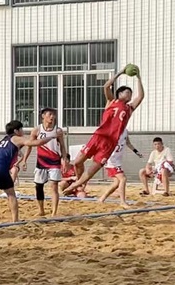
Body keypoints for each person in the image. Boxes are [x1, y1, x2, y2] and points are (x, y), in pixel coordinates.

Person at [62, 67, 144, 197]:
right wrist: (120, 72)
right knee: (77, 162)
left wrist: (138, 77)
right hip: (99, 137)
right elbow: (106, 86)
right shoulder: (112, 101)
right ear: (119, 94)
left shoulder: (129, 108)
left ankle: (76, 186)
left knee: (92, 170)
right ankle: (77, 181)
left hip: (110, 143)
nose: (129, 94)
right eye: (127, 92)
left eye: (130, 93)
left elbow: (140, 96)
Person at [21, 108, 66, 217]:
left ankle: (54, 212)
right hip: (41, 161)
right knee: (38, 186)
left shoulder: (58, 131)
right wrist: (24, 160)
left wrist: (64, 159)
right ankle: (41, 210)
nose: (52, 117)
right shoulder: (37, 130)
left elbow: (63, 147)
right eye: (50, 114)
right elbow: (29, 145)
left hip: (54, 161)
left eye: (53, 115)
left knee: (54, 186)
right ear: (43, 116)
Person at [98, 129, 144, 207]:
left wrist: (137, 152)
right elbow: (106, 144)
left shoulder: (125, 131)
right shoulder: (113, 130)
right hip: (111, 161)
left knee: (116, 183)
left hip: (117, 161)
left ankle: (102, 198)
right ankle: (122, 202)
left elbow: (128, 143)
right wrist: (104, 156)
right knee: (123, 179)